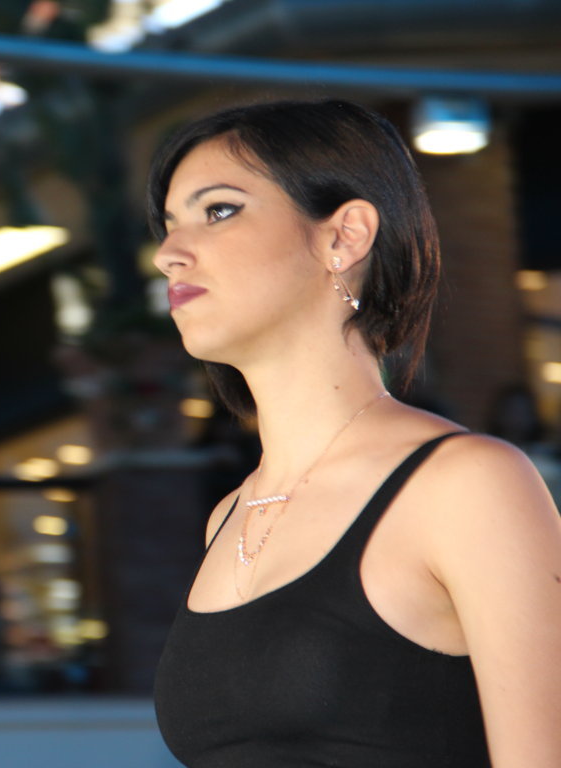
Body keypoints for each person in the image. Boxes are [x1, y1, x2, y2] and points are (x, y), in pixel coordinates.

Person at [148, 100, 561, 767]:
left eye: (218, 211)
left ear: (344, 236)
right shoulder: (230, 517)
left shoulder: (466, 485)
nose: (169, 254)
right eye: (168, 227)